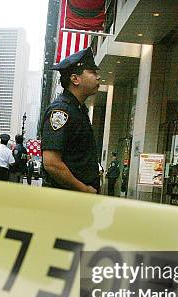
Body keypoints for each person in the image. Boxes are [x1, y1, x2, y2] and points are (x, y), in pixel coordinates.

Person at [41, 47, 101, 193]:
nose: (98, 77)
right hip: (66, 199)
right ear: (75, 79)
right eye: (92, 72)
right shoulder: (62, 110)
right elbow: (51, 163)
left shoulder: (78, 109)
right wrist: (84, 190)